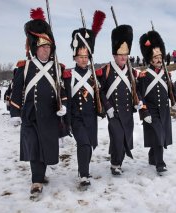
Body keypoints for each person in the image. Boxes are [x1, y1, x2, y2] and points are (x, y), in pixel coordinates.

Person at [9, 7, 68, 198]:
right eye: (43, 47)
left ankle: (40, 174)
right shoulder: (24, 67)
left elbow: (62, 90)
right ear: (36, 48)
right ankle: (36, 181)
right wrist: (15, 113)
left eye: (49, 47)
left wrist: (63, 105)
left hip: (50, 116)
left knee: (45, 147)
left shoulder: (57, 68)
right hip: (30, 115)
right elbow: (17, 91)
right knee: (34, 147)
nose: (46, 49)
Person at [62, 27, 103, 186]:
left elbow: (100, 95)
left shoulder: (93, 76)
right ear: (75, 57)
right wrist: (67, 119)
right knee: (84, 144)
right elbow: (66, 97)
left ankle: (82, 169)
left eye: (86, 57)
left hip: (91, 117)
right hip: (76, 117)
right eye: (80, 57)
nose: (84, 60)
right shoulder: (69, 76)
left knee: (90, 145)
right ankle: (84, 175)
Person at [99, 25, 140, 176]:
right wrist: (107, 106)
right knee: (117, 136)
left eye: (126, 54)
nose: (123, 57)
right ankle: (115, 164)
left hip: (128, 111)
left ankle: (119, 161)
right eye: (120, 54)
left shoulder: (132, 71)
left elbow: (136, 89)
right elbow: (100, 90)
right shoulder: (106, 70)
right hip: (113, 112)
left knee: (125, 137)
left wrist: (138, 100)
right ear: (114, 55)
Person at [137, 30, 173, 174]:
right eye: (155, 57)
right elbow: (139, 95)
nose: (159, 59)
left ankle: (152, 156)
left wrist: (174, 99)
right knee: (158, 134)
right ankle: (160, 164)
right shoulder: (144, 76)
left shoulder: (167, 74)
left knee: (161, 135)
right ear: (150, 59)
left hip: (164, 110)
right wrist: (144, 111)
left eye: (160, 56)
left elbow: (170, 90)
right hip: (151, 111)